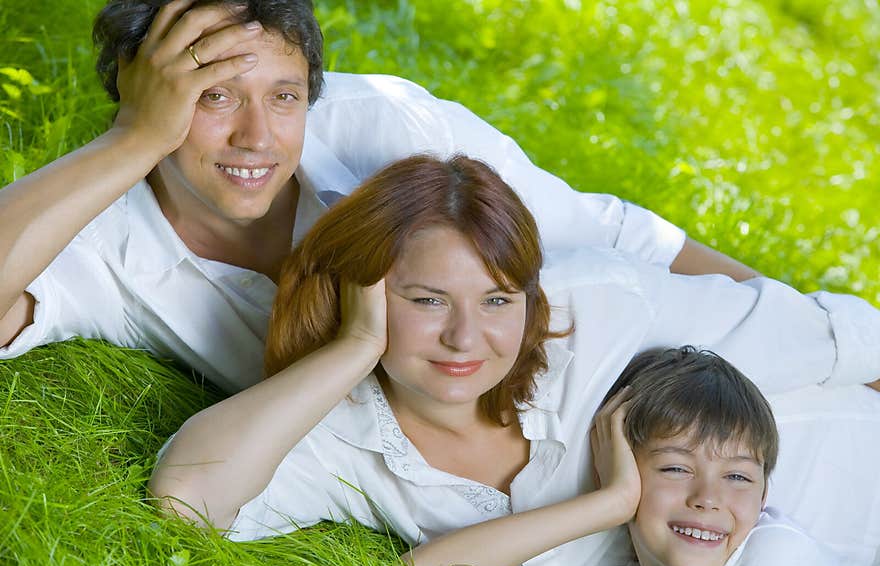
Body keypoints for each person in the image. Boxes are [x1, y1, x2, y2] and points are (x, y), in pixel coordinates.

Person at [148, 153, 880, 566]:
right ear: (361, 290)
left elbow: (830, 337)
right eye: (427, 299)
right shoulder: (340, 433)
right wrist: (352, 347)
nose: (467, 337)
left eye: (497, 298)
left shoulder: (601, 308)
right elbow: (187, 499)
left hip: (842, 474)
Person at [3, 0, 802, 395]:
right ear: (139, 95)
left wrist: (809, 326)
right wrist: (133, 143)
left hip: (649, 353)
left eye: (283, 97)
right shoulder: (95, 237)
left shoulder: (381, 124)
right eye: (214, 97)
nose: (258, 138)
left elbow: (625, 238)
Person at [402, 346, 851, 566]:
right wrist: (610, 503)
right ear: (622, 472)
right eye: (676, 469)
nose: (708, 500)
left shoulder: (777, 562)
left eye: (737, 477)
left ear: (764, 496)